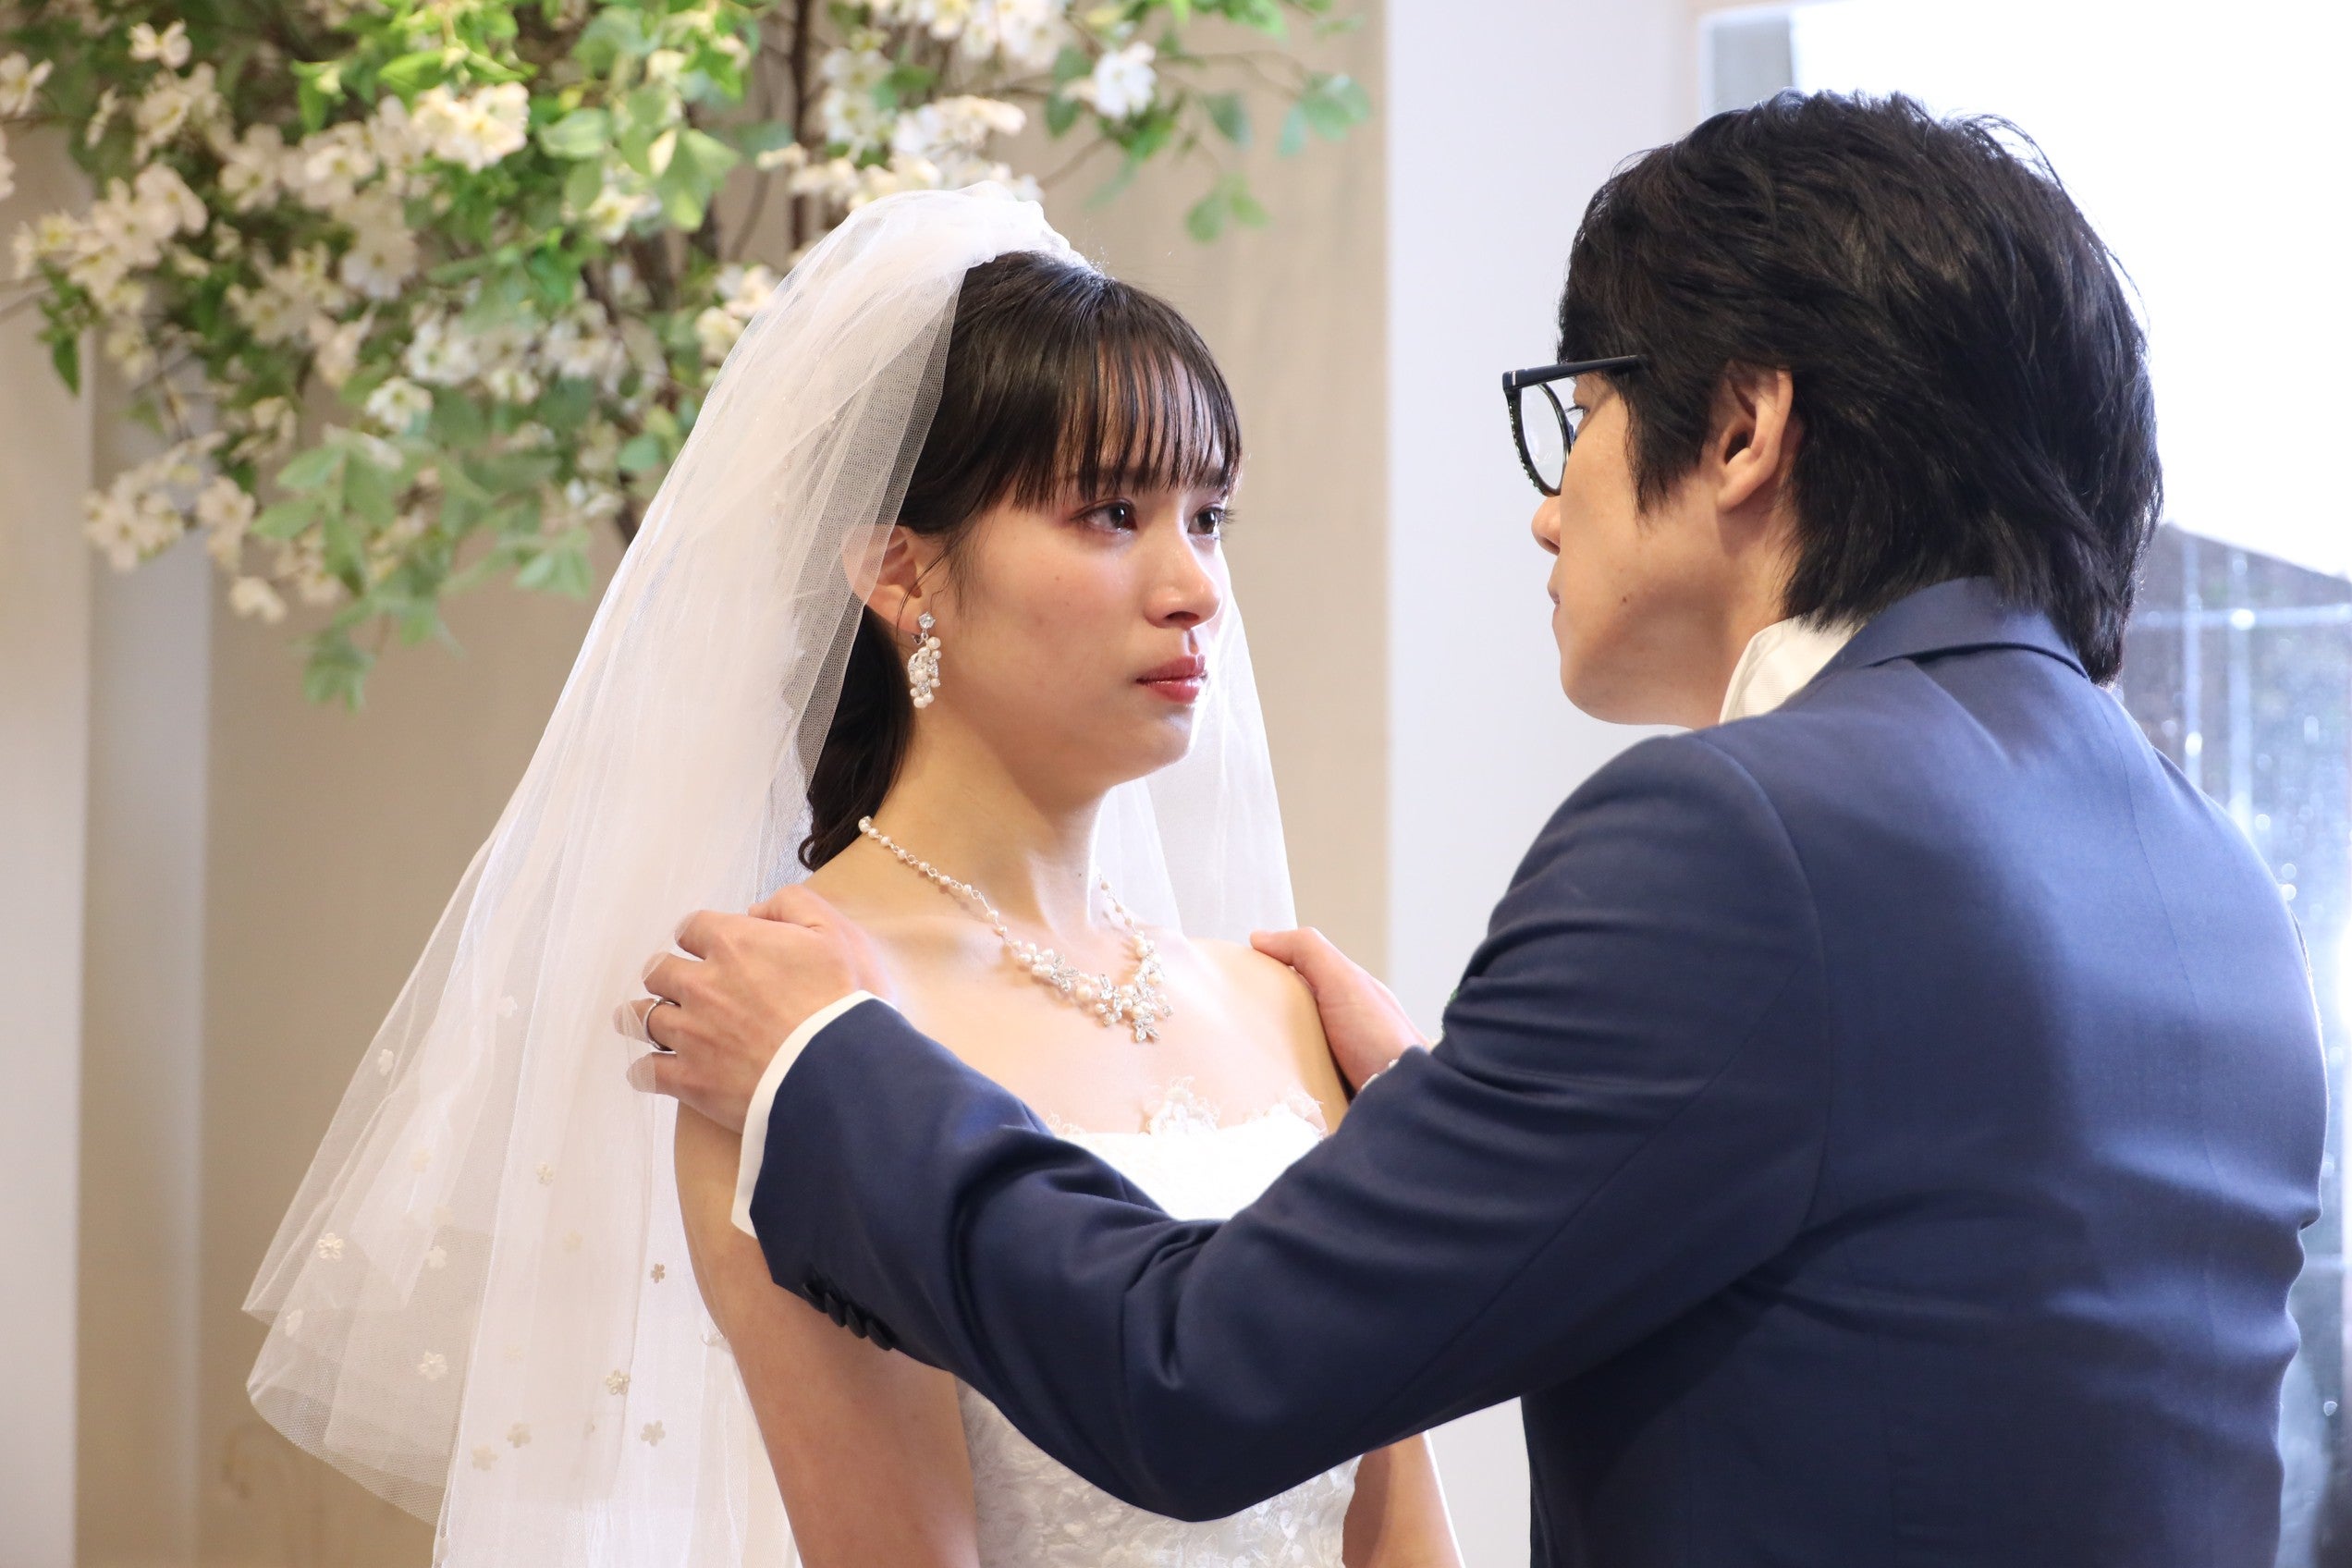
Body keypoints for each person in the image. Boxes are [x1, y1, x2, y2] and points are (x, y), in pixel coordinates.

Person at [625, 92, 2329, 1565]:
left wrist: (827, 1070)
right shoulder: (2208, 884)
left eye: (1578, 415)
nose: (1546, 506)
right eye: (1110, 510)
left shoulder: (1737, 843)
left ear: (1742, 431)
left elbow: (1192, 1378)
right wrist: (1465, 1123)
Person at [246, 185, 1457, 1567]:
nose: (1196, 588)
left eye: (1211, 515)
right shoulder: (787, 1027)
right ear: (901, 576)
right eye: (1113, 512)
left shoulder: (1294, 1005)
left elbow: (1404, 1538)